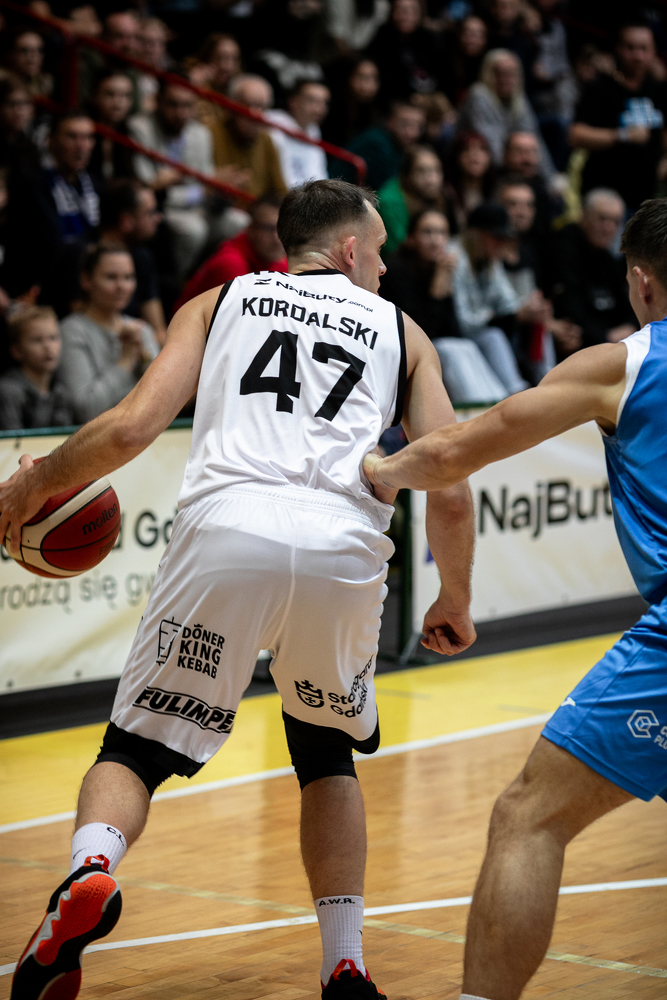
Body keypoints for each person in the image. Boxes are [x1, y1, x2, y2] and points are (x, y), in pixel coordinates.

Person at [2, 178, 476, 1000]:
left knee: (135, 750)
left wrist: (35, 482)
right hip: (342, 545)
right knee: (324, 753)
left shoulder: (219, 303)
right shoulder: (402, 331)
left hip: (227, 530)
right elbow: (451, 483)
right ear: (351, 249)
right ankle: (345, 965)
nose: (385, 269)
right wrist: (454, 598)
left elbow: (131, 427)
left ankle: (90, 870)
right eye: (380, 253)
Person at [362, 194, 667, 1000]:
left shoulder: (623, 364)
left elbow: (460, 447)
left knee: (528, 816)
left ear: (640, 281)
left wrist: (379, 471)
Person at [381, 208, 507, 404]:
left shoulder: (442, 268)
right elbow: (417, 334)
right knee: (449, 349)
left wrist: (443, 284)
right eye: (427, 232)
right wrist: (437, 292)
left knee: (467, 346)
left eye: (441, 233)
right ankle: (477, 407)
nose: (435, 240)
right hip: (404, 351)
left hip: (439, 345)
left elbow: (454, 330)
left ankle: (500, 401)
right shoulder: (397, 271)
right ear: (411, 238)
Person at [570, 21, 667, 214]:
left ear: (653, 52)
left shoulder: (657, 88)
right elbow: (576, 135)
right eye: (631, 48)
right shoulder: (600, 87)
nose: (638, 55)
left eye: (644, 48)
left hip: (647, 199)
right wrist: (622, 135)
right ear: (618, 49)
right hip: (605, 197)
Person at [4, 110, 99, 303]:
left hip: (85, 277)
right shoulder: (30, 183)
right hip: (36, 284)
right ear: (51, 140)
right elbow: (47, 241)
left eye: (88, 137)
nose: (81, 146)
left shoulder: (96, 184)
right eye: (72, 136)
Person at [59, 244, 160, 423]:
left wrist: (144, 356)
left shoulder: (141, 330)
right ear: (86, 280)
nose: (122, 286)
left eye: (128, 277)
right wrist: (125, 361)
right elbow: (85, 409)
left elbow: (163, 399)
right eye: (111, 277)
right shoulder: (71, 331)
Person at [129, 80, 217, 279]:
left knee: (237, 222)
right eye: (173, 104)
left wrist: (209, 191)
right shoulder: (140, 128)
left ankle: (208, 283)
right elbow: (149, 188)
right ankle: (177, 284)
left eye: (187, 105)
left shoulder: (200, 133)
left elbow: (207, 182)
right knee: (193, 230)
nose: (180, 113)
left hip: (197, 206)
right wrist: (200, 192)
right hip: (161, 208)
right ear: (158, 101)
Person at [497, 175, 580, 376]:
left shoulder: (531, 252)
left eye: (528, 205)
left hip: (526, 331)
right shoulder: (488, 253)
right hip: (498, 335)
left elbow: (535, 299)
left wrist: (553, 323)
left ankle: (547, 382)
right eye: (513, 204)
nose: (522, 212)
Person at [451, 202, 533, 396]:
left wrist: (527, 310)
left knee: (536, 322)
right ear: (476, 234)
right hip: (453, 338)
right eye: (496, 237)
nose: (501, 243)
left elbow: (508, 301)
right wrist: (496, 316)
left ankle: (545, 382)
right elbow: (463, 322)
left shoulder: (489, 260)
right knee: (493, 336)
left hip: (475, 333)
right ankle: (516, 391)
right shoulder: (454, 257)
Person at [552, 188, 637, 349]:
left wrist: (629, 327)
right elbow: (570, 313)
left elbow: (629, 306)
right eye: (602, 219)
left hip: (608, 343)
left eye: (615, 221)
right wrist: (607, 337)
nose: (608, 228)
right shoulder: (562, 250)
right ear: (584, 215)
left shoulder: (608, 257)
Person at [174, 194, 287, 310]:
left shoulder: (279, 261)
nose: (277, 239)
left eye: (283, 228)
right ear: (251, 229)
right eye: (268, 229)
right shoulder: (231, 265)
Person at [457, 49, 555, 182]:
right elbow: (490, 143)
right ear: (488, 74)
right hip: (481, 166)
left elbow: (535, 139)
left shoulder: (519, 100)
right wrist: (520, 163)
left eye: (512, 74)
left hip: (511, 161)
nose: (507, 79)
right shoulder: (479, 95)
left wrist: (551, 179)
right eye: (501, 73)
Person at [98, 179, 167, 344]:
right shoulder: (81, 255)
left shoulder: (142, 256)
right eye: (150, 213)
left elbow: (158, 331)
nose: (158, 218)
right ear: (126, 221)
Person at [198, 74, 287, 202]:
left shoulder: (266, 140)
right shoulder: (209, 133)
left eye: (262, 107)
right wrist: (214, 181)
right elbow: (194, 185)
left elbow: (280, 192)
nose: (255, 114)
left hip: (257, 210)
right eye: (248, 105)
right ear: (232, 105)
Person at [0, 306, 79, 431]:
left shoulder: (61, 391)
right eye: (37, 340)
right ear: (16, 350)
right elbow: (12, 438)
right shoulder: (8, 392)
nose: (48, 347)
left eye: (53, 338)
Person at [378, 144, 457, 256]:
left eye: (436, 171)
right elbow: (399, 250)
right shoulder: (390, 202)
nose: (431, 179)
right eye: (422, 171)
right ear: (407, 174)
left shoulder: (441, 196)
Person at [347, 99, 425, 191]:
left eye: (418, 126)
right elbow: (388, 188)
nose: (412, 132)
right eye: (404, 124)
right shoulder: (376, 144)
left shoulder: (397, 144)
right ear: (389, 121)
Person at [266, 79, 330, 188]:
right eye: (312, 101)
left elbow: (319, 175)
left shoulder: (314, 130)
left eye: (324, 103)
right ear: (293, 101)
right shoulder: (271, 121)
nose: (319, 109)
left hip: (304, 196)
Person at [88, 70, 137, 181]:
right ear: (94, 96)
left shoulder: (132, 132)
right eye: (110, 94)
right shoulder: (84, 131)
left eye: (125, 95)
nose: (118, 102)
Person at [447, 130, 496, 229]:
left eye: (482, 149)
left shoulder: (498, 190)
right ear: (456, 156)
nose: (474, 154)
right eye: (466, 149)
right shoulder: (446, 194)